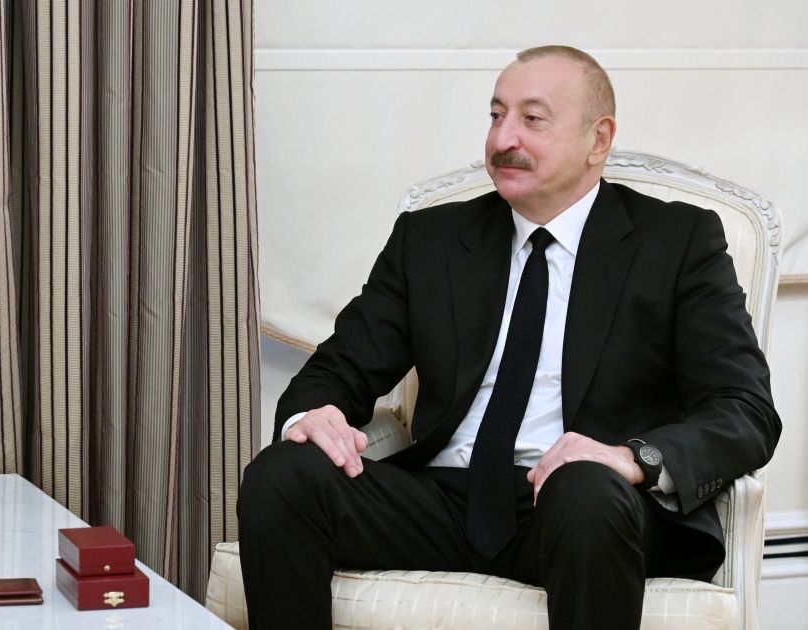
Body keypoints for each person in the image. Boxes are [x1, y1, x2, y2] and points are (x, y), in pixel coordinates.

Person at [237, 45, 781, 630]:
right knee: (281, 476)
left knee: (584, 491)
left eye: (532, 118)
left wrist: (629, 459)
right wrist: (313, 418)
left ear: (598, 139)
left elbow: (745, 410)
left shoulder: (675, 242)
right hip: (442, 500)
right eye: (496, 115)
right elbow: (338, 370)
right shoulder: (432, 240)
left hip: (583, 507)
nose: (503, 138)